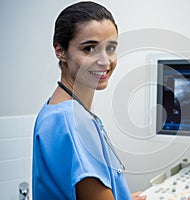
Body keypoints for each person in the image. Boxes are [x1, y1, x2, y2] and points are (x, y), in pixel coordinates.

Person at [32, 1, 146, 200]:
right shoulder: (71, 121)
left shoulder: (59, 109)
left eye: (110, 48)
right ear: (60, 51)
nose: (104, 61)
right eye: (89, 49)